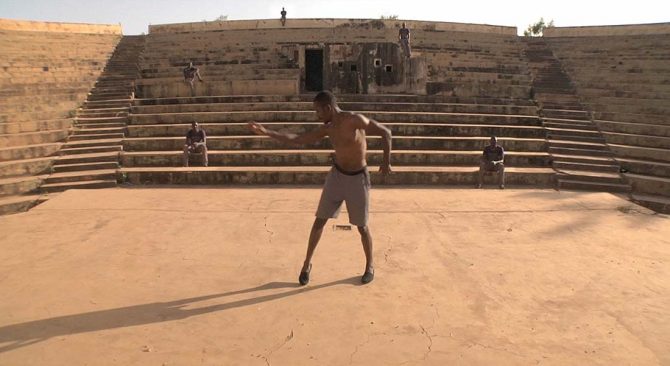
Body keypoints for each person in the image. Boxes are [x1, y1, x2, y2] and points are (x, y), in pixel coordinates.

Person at [248, 91, 392, 285]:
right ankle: (306, 264)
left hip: (358, 178)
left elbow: (386, 132)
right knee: (319, 221)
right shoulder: (329, 128)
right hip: (336, 176)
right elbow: (298, 139)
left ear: (328, 108)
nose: (317, 115)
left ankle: (370, 266)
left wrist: (386, 162)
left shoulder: (354, 120)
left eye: (318, 111)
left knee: (362, 227)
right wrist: (267, 132)